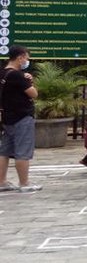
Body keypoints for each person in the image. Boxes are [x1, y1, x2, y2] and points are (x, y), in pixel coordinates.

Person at [0, 45, 41, 193]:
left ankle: (2, 181)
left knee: (4, 151)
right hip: (21, 116)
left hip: (7, 117)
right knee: (23, 151)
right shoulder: (17, 75)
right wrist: (30, 81)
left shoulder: (3, 73)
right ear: (20, 57)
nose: (27, 61)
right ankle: (24, 183)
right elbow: (33, 93)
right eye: (26, 58)